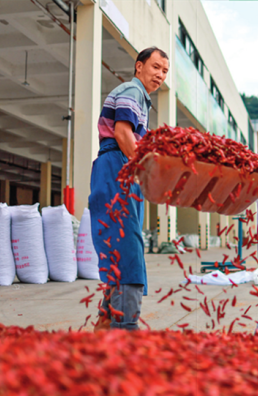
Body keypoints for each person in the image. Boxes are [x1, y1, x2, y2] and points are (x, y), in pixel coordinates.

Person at [91, 47, 169, 331]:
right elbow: (123, 133)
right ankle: (125, 328)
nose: (160, 75)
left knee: (119, 246)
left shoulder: (141, 100)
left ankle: (105, 321)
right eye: (156, 67)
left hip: (121, 166)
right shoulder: (132, 91)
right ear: (139, 67)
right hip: (117, 165)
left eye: (164, 71)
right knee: (127, 248)